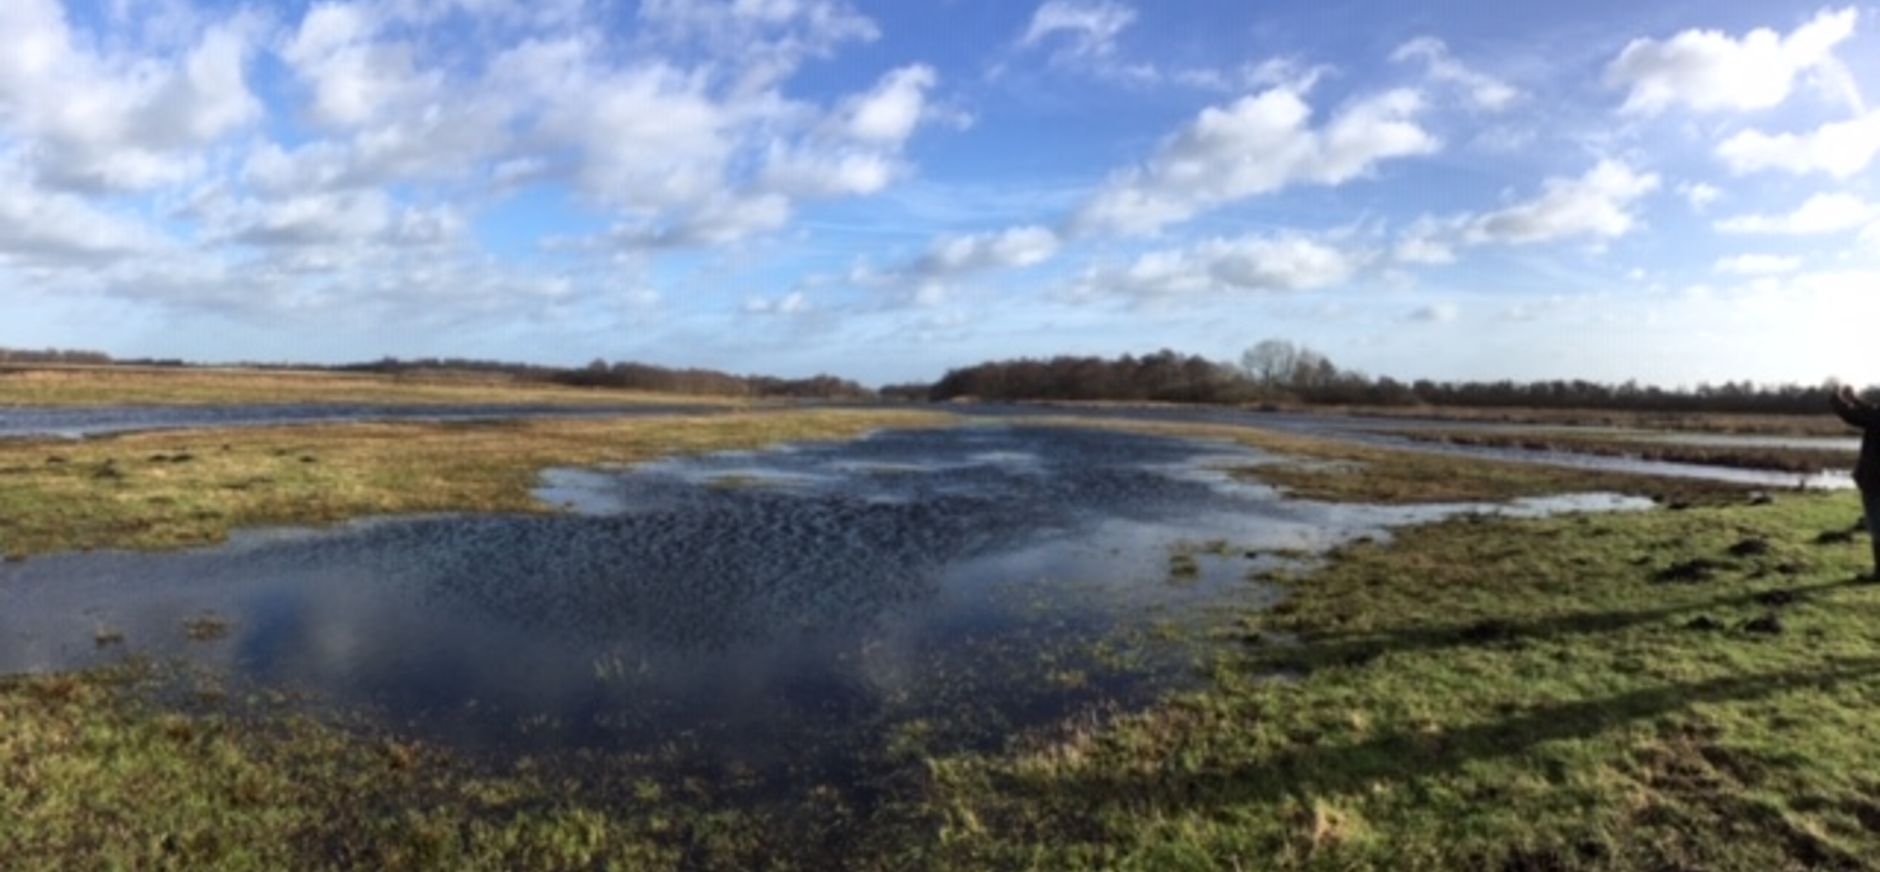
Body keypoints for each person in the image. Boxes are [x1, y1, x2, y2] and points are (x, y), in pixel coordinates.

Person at [1830, 384, 1879, 579]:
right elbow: (1870, 413)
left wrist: (1836, 398)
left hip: (1875, 480)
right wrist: (1855, 400)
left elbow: (1854, 416)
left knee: (1877, 525)